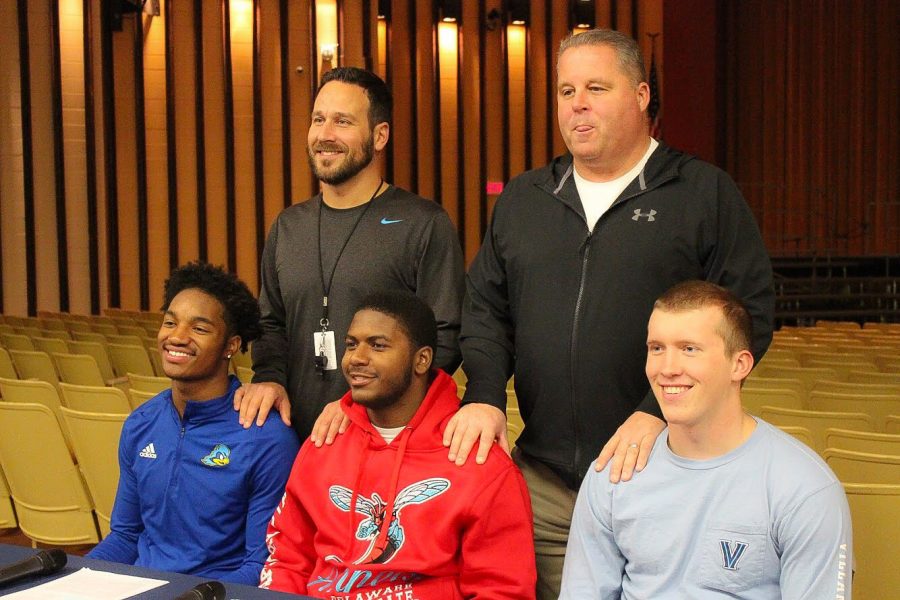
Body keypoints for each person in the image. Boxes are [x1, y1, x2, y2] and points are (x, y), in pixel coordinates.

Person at [444, 29, 775, 598]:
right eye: (566, 90)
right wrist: (484, 395)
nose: (577, 103)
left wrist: (657, 412)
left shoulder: (701, 193)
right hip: (546, 485)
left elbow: (748, 316)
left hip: (666, 474)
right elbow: (485, 311)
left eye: (597, 87)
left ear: (642, 94)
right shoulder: (526, 199)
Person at [560, 280, 852, 598]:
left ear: (739, 364)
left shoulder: (804, 487)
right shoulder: (613, 473)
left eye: (689, 349)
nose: (667, 368)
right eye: (657, 348)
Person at [235, 67, 465, 441]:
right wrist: (269, 379)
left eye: (342, 121)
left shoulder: (423, 223)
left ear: (379, 136)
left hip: (382, 443)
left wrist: (366, 407)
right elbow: (270, 323)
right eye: (318, 119)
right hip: (295, 440)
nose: (325, 135)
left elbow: (444, 336)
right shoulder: (288, 227)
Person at [259, 291, 536, 598]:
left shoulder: (479, 462)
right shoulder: (325, 440)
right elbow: (287, 559)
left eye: (378, 345)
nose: (356, 358)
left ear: (422, 360)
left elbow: (501, 590)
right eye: (351, 344)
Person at [88, 262, 300, 585]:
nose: (177, 337)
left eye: (199, 329)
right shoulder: (140, 424)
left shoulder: (266, 437)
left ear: (231, 345)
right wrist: (77, 578)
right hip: (142, 587)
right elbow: (126, 537)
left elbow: (262, 563)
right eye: (170, 322)